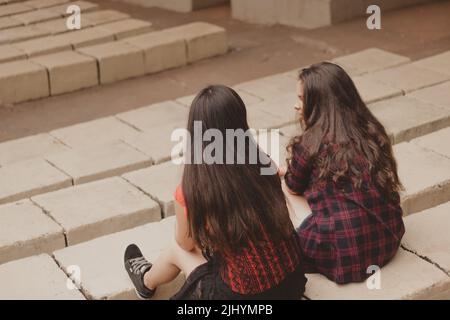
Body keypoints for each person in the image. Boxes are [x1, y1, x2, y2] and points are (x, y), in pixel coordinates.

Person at [124, 85, 307, 299]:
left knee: (177, 248)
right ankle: (146, 280)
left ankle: (146, 281)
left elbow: (186, 243)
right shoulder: (263, 163)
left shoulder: (193, 188)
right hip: (292, 282)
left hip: (246, 298)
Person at [282, 62, 405, 284]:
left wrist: (281, 175)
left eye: (301, 99)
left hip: (343, 254)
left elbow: (292, 186)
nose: (296, 106)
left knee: (283, 190)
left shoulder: (310, 143)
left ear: (319, 104)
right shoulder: (370, 130)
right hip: (387, 238)